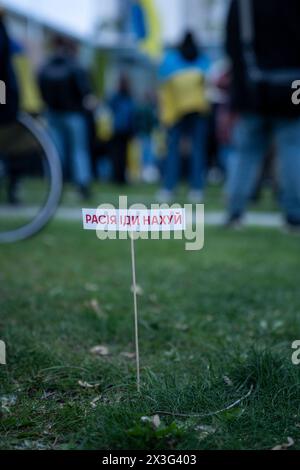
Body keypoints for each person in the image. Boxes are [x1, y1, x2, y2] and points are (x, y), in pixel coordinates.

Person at [225, 0, 300, 231]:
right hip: (292, 86)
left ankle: (235, 212)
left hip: (252, 88)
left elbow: (231, 45)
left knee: (245, 152)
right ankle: (295, 216)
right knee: (292, 149)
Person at [158, 31, 211, 203]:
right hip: (198, 109)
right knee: (198, 150)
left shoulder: (170, 59)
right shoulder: (203, 59)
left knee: (172, 150)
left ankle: (168, 188)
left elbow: (162, 85)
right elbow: (210, 83)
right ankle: (196, 189)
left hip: (175, 111)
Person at [39, 36, 94, 199]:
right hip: (74, 114)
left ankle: (57, 184)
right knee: (79, 151)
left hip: (53, 113)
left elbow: (40, 87)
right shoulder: (75, 65)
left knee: (56, 152)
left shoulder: (47, 66)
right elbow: (85, 91)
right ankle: (82, 184)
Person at [109, 76, 137, 185]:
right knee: (118, 155)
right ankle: (117, 177)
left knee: (122, 155)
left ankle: (120, 177)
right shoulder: (121, 97)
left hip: (122, 129)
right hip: (119, 129)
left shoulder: (123, 97)